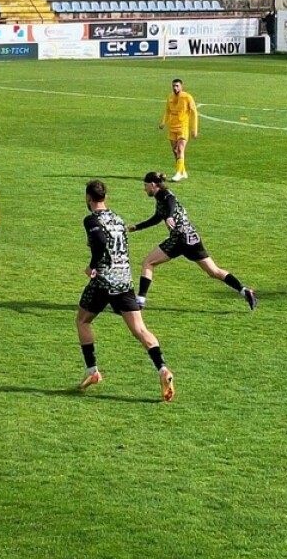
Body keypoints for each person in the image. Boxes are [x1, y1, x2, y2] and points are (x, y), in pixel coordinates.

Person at [76, 180, 175, 402]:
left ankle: (92, 371)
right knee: (140, 329)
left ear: (88, 198)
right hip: (124, 281)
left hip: (104, 281)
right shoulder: (119, 219)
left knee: (82, 321)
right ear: (105, 197)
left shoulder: (91, 219)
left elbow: (100, 242)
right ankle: (162, 369)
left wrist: (93, 265)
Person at [128, 171, 256, 310]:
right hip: (192, 237)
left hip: (179, 238)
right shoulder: (160, 199)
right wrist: (137, 227)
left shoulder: (164, 195)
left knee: (148, 262)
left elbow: (171, 201)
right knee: (213, 271)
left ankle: (140, 300)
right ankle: (244, 290)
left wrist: (170, 216)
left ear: (153, 184)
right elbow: (157, 218)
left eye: (145, 185)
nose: (144, 189)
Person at [159, 78, 198, 182]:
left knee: (180, 149)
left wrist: (194, 129)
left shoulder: (187, 97)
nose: (175, 88)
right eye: (173, 86)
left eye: (177, 86)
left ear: (181, 86)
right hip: (172, 128)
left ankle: (178, 173)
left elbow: (194, 112)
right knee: (175, 151)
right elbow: (168, 111)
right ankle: (183, 171)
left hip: (183, 128)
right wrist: (163, 122)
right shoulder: (170, 97)